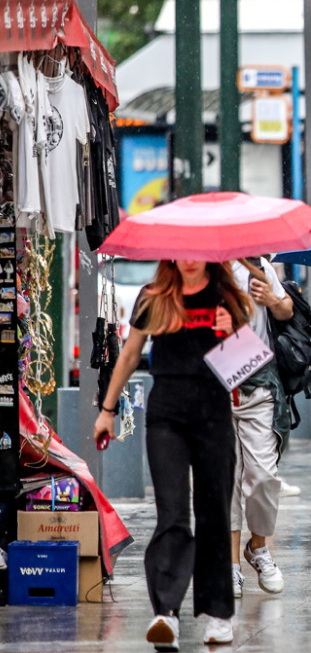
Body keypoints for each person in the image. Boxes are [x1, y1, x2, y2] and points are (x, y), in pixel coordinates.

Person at [94, 260, 251, 648]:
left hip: (214, 414)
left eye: (196, 251)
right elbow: (130, 355)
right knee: (173, 512)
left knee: (214, 511)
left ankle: (218, 614)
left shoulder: (228, 299)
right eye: (181, 251)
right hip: (167, 416)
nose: (189, 259)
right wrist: (107, 410)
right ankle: (166, 613)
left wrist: (232, 335)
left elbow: (245, 375)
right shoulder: (154, 298)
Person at [229, 258, 293, 599]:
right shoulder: (204, 266)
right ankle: (231, 566)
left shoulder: (259, 265)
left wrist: (271, 298)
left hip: (259, 379)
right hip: (214, 379)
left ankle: (258, 548)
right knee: (227, 478)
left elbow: (286, 310)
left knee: (264, 476)